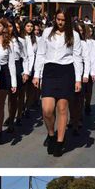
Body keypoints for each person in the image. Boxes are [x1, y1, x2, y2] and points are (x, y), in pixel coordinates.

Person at [33, 9, 82, 157]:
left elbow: (77, 57)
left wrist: (78, 79)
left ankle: (60, 142)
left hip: (66, 71)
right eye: (58, 19)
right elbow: (40, 54)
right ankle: (51, 134)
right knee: (47, 109)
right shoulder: (47, 32)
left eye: (63, 20)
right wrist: (37, 75)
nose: (60, 22)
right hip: (49, 70)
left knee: (62, 108)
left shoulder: (74, 35)